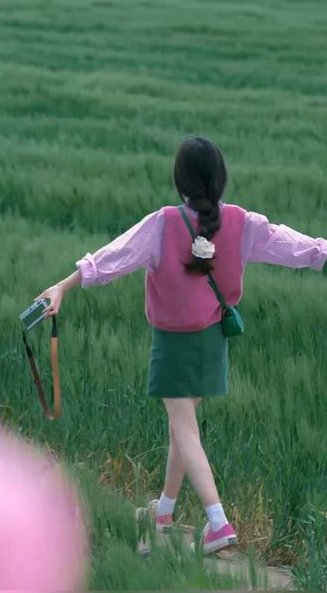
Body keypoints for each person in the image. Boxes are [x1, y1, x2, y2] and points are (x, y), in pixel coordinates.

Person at [35, 136, 327, 553]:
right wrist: (323, 252)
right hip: (213, 343)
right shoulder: (245, 224)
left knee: (185, 431)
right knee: (181, 429)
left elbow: (114, 256)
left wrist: (63, 286)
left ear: (180, 181)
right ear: (221, 179)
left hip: (172, 345)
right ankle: (164, 511)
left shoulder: (164, 223)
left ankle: (217, 522)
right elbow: (293, 245)